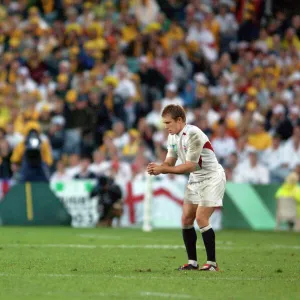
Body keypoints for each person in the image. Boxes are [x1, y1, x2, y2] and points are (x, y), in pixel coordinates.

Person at [147, 104, 226, 271]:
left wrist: (164, 169)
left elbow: (190, 165)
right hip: (196, 178)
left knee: (201, 218)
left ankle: (212, 264)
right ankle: (192, 263)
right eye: (164, 123)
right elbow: (170, 162)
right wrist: (158, 168)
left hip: (212, 177)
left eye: (168, 123)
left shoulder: (194, 134)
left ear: (179, 120)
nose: (166, 126)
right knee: (186, 219)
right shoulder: (173, 137)